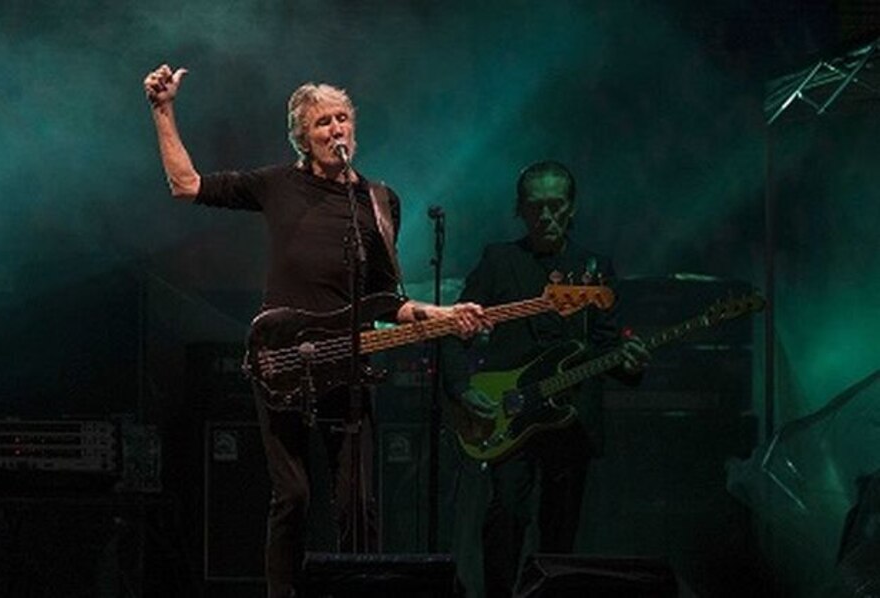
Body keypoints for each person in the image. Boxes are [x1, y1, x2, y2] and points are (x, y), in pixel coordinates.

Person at [142, 64, 490, 598]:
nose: (336, 130)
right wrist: (163, 110)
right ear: (302, 136)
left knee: (358, 501)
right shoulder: (275, 183)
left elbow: (387, 301)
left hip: (349, 365)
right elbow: (185, 185)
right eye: (323, 122)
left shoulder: (378, 201)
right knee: (295, 497)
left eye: (343, 118)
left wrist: (447, 316)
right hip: (283, 357)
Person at [441, 160, 649, 598]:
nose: (547, 216)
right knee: (507, 515)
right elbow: (453, 329)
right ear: (520, 210)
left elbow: (608, 347)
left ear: (572, 208)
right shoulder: (499, 260)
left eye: (556, 206)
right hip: (510, 414)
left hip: (569, 421)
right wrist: (462, 388)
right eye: (536, 207)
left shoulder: (593, 267)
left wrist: (628, 364)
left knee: (561, 534)